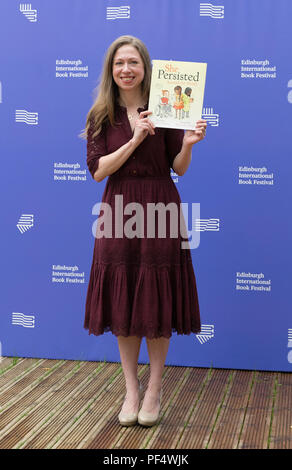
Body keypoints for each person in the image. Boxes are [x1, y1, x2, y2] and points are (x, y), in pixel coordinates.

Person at [81, 35, 207, 427]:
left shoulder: (168, 105)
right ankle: (131, 390)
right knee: (124, 299)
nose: (126, 69)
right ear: (111, 70)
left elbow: (179, 167)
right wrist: (135, 139)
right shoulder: (101, 114)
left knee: (156, 297)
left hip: (160, 206)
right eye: (119, 63)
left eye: (133, 62)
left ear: (144, 67)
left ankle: (154, 388)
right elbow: (99, 170)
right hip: (119, 208)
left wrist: (187, 144)